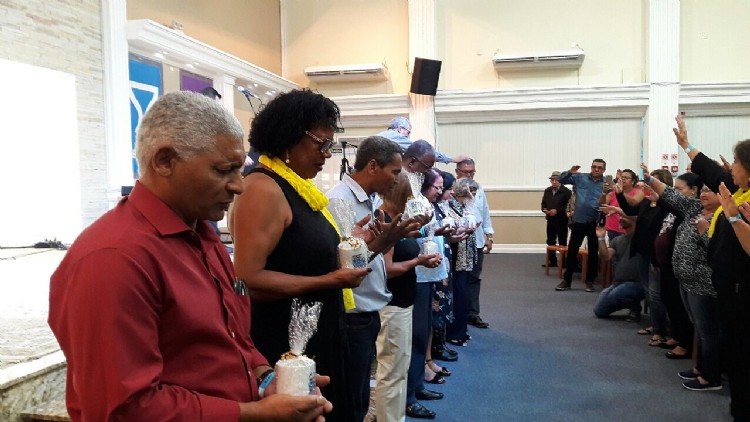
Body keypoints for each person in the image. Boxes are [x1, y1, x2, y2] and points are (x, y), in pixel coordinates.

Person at [48, 91, 332, 422]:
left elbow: (233, 338)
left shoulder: (202, 237)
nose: (238, 186)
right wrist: (255, 414)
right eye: (223, 170)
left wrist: (266, 378)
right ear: (165, 161)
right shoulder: (114, 260)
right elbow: (125, 409)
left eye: (239, 169)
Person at [231, 89, 371, 422]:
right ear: (288, 137)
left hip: (320, 331)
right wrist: (329, 280)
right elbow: (248, 279)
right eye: (320, 144)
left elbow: (306, 254)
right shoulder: (262, 188)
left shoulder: (298, 187)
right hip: (286, 341)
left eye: (330, 145)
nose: (326, 154)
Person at [326, 135, 418, 422]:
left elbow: (361, 254)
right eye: (394, 171)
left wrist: (387, 239)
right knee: (350, 402)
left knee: (360, 398)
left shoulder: (366, 201)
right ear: (373, 166)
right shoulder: (340, 200)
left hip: (366, 311)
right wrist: (383, 242)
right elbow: (342, 265)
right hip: (352, 314)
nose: (397, 179)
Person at [673, 115, 750, 416]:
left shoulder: (744, 200)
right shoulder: (738, 192)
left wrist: (734, 218)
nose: (732, 168)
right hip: (727, 283)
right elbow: (714, 171)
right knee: (733, 345)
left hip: (740, 287)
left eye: (737, 162)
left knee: (740, 349)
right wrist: (686, 145)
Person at [643, 170, 723, 391]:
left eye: (710, 191)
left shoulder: (723, 218)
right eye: (703, 189)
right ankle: (700, 368)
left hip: (703, 283)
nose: (704, 194)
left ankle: (711, 378)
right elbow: (671, 194)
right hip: (685, 280)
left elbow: (720, 252)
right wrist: (649, 179)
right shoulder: (694, 208)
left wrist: (705, 232)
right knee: (698, 327)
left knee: (708, 331)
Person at [376, 171, 441, 422]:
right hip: (392, 305)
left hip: (403, 302)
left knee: (399, 370)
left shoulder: (395, 219)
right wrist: (418, 261)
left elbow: (404, 241)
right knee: (392, 373)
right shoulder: (383, 218)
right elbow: (388, 269)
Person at [556, 159, 607, 292]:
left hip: (595, 222)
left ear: (604, 170)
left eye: (600, 167)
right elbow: (561, 180)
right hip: (579, 221)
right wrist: (570, 172)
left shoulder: (606, 183)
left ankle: (590, 281)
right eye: (594, 167)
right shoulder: (580, 178)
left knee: (593, 253)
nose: (596, 169)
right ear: (591, 167)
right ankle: (567, 280)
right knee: (572, 251)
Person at [455, 158, 494, 328]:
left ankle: (473, 313)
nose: (470, 175)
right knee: (459, 279)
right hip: (458, 242)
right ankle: (457, 313)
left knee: (474, 278)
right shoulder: (452, 190)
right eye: (466, 172)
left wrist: (489, 236)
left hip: (477, 241)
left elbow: (484, 212)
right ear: (457, 172)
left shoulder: (479, 189)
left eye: (472, 172)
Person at [592, 217, 646, 318]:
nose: (621, 219)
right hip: (618, 283)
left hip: (638, 283)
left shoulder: (641, 238)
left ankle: (635, 307)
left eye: (624, 217)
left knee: (614, 296)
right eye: (620, 217)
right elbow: (606, 256)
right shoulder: (617, 240)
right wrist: (601, 238)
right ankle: (630, 303)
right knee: (599, 311)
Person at [377, 116, 468, 164]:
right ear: (400, 129)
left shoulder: (380, 135)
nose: (408, 137)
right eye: (408, 133)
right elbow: (421, 151)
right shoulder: (397, 136)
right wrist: (452, 159)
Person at [541, 170, 572, 267]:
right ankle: (552, 261)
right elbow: (543, 203)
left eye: (556, 180)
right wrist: (544, 210)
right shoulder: (547, 190)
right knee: (550, 241)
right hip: (550, 220)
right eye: (552, 180)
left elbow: (568, 206)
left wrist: (557, 211)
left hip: (562, 220)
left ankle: (563, 262)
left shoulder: (566, 192)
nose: (554, 182)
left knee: (562, 241)